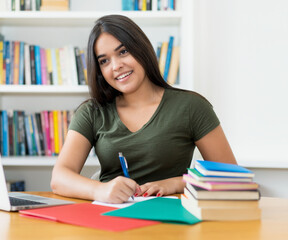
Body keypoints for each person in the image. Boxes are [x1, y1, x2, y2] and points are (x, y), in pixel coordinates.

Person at [51, 14, 236, 204]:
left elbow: (230, 179)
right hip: (108, 219)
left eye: (123, 52)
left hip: (170, 221)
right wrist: (101, 190)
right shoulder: (92, 112)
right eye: (104, 61)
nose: (116, 66)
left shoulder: (192, 107)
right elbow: (59, 178)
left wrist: (176, 183)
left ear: (142, 50)